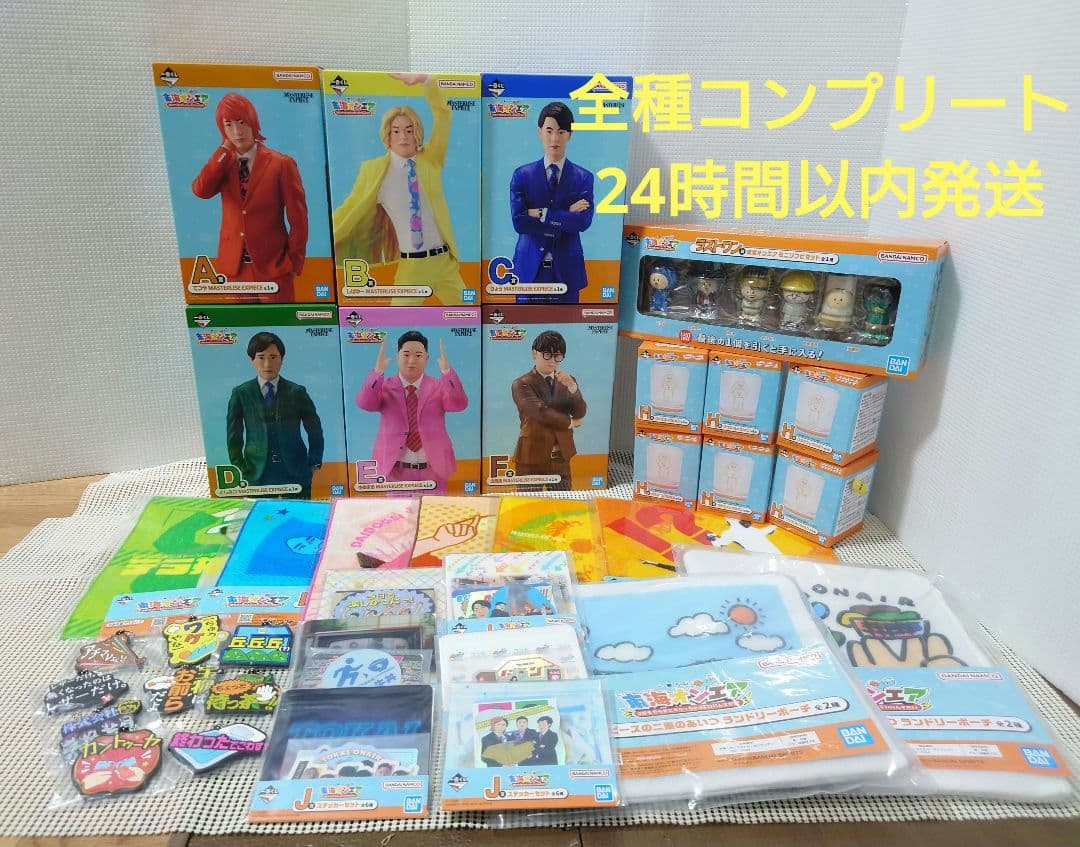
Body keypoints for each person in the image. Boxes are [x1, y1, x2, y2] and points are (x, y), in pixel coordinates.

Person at [333, 73, 464, 304]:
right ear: (388, 135)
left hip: (445, 263)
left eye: (409, 130)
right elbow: (351, 207)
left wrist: (426, 81)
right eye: (396, 130)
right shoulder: (373, 170)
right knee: (399, 317)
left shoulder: (431, 159)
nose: (403, 136)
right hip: (411, 266)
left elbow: (443, 115)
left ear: (417, 133)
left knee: (465, 316)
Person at [192, 93, 308, 298]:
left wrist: (293, 262)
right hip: (235, 268)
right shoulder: (223, 163)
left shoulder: (281, 164)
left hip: (274, 267)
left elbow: (298, 219)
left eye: (242, 122)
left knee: (282, 317)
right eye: (228, 125)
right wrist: (223, 149)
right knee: (242, 317)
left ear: (252, 122)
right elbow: (201, 191)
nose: (237, 132)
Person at [355, 330, 468, 495]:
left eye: (418, 355)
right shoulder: (385, 386)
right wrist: (377, 372)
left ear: (427, 358)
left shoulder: (438, 386)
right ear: (397, 356)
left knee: (434, 510)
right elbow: (364, 403)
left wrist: (447, 372)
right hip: (395, 471)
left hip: (433, 470)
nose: (412, 361)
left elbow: (458, 405)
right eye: (406, 354)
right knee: (398, 511)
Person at [509, 102, 594, 303]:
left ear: (569, 135)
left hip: (567, 270)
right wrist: (566, 213)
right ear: (539, 132)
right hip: (529, 268)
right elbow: (519, 222)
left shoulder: (583, 177)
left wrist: (540, 213)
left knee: (567, 322)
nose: (554, 138)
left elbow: (582, 222)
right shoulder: (522, 175)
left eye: (561, 132)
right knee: (525, 320)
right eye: (549, 131)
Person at [226, 332, 323, 499]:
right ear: (252, 360)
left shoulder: (297, 391)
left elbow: (315, 430)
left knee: (301, 511)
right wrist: (239, 466)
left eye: (273, 357)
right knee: (259, 512)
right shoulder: (241, 393)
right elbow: (234, 434)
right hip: (256, 471)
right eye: (261, 357)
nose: (267, 364)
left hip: (295, 469)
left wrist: (313, 462)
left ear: (282, 359)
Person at [510, 330, 586, 491]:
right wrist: (570, 422)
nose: (552, 361)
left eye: (558, 356)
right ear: (534, 354)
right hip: (531, 456)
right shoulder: (521, 383)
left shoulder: (567, 380)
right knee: (527, 502)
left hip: (561, 456)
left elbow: (580, 412)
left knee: (564, 501)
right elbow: (539, 412)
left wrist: (573, 388)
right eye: (547, 355)